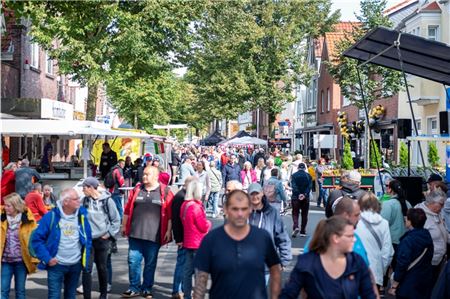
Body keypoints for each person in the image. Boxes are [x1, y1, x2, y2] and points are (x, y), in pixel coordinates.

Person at [193, 190, 281, 299]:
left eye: (243, 209)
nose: (240, 214)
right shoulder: (211, 240)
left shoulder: (262, 237)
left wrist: (274, 296)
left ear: (250, 209)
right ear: (226, 209)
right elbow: (201, 279)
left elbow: (275, 269)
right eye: (235, 209)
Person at [280, 216, 376, 299]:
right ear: (335, 238)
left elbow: (369, 294)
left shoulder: (356, 263)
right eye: (350, 236)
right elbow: (288, 294)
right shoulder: (307, 263)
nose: (354, 239)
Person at [121, 166, 173, 298]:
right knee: (133, 261)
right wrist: (123, 226)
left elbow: (170, 213)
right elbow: (127, 209)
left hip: (153, 235)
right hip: (135, 234)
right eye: (143, 174)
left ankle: (147, 288)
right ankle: (134, 287)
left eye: (147, 175)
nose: (144, 177)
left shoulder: (165, 191)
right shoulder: (137, 189)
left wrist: (168, 230)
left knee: (150, 264)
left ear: (156, 176)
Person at [30, 188, 92, 299]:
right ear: (66, 202)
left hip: (75, 265)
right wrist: (47, 258)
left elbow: (88, 239)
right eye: (76, 199)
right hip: (56, 265)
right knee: (54, 296)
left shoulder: (81, 216)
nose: (79, 200)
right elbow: (37, 240)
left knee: (71, 295)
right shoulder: (51, 216)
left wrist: (84, 260)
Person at [80, 177, 120, 299]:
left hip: (102, 240)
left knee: (102, 267)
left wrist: (107, 235)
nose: (83, 190)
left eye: (84, 187)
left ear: (91, 188)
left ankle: (103, 294)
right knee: (86, 269)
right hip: (88, 241)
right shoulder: (84, 201)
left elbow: (116, 220)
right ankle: (87, 296)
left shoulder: (107, 201)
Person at [248, 183, 292, 281]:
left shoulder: (272, 213)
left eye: (257, 193)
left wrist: (284, 261)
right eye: (252, 194)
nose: (255, 196)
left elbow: (282, 237)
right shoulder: (242, 212)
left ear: (262, 193)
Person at [388, 208, 434, 299]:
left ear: (410, 221)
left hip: (408, 285)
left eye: (407, 218)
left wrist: (394, 285)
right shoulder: (427, 235)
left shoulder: (408, 240)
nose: (405, 219)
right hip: (424, 281)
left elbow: (402, 264)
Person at [1, 193, 38, 299]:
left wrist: (35, 257)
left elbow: (34, 240)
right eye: (5, 205)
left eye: (8, 205)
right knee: (3, 290)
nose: (5, 207)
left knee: (20, 291)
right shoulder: (2, 218)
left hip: (21, 261)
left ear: (16, 206)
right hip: (5, 261)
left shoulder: (28, 219)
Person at [181, 180, 212, 299]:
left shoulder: (185, 204)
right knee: (200, 273)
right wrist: (208, 223)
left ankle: (187, 295)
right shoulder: (196, 207)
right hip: (198, 243)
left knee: (187, 271)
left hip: (188, 241)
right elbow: (203, 226)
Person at [355, 193, 394, 289]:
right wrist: (381, 270)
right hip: (375, 273)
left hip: (355, 270)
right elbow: (388, 252)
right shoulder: (384, 223)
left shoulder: (355, 221)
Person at [171, 176, 197, 299]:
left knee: (184, 265)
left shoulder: (183, 196)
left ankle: (179, 289)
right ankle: (177, 290)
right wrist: (179, 238)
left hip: (187, 237)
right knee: (182, 264)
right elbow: (176, 219)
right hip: (184, 237)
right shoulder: (181, 197)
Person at [415, 189, 448, 282]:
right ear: (432, 202)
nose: (443, 207)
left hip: (438, 260)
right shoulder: (420, 216)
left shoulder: (437, 214)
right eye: (441, 204)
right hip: (426, 262)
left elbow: (442, 232)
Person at [381, 180, 411, 259]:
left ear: (390, 189)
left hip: (393, 241)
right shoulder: (407, 203)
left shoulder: (388, 204)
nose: (386, 187)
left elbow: (383, 223)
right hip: (406, 240)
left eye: (387, 186)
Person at [290, 163, 312, 237]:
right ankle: (303, 231)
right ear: (305, 168)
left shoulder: (294, 175)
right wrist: (304, 194)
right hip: (305, 197)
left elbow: (293, 186)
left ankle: (296, 226)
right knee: (304, 214)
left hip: (296, 197)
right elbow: (309, 187)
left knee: (295, 213)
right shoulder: (308, 176)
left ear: (298, 168)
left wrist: (298, 194)